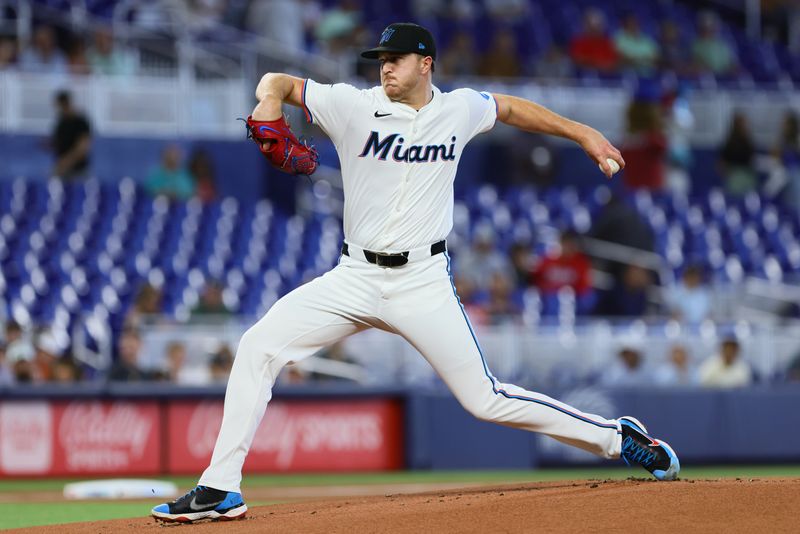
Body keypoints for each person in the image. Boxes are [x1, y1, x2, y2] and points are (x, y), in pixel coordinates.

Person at [152, 22, 679, 523]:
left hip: (421, 281)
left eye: (395, 59)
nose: (385, 68)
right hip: (353, 276)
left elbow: (513, 108)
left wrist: (581, 132)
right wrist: (268, 101)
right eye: (380, 59)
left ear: (425, 63)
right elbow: (278, 81)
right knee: (258, 346)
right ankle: (221, 488)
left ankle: (618, 438)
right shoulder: (352, 106)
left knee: (485, 399)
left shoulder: (459, 109)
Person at [51, 90, 92, 180]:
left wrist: (64, 163)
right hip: (63, 171)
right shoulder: (61, 122)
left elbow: (82, 149)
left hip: (78, 172)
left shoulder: (80, 122)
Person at [718, 112, 757, 197]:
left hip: (748, 175)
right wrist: (727, 175)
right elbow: (722, 163)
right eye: (742, 124)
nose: (745, 126)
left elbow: (752, 159)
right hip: (735, 176)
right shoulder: (730, 142)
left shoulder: (748, 141)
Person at [569, 8, 618, 73]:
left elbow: (614, 61)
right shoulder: (579, 41)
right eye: (592, 25)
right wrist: (596, 63)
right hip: (587, 75)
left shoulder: (607, 42)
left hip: (608, 76)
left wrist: (606, 66)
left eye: (598, 25)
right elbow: (577, 59)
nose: (595, 28)